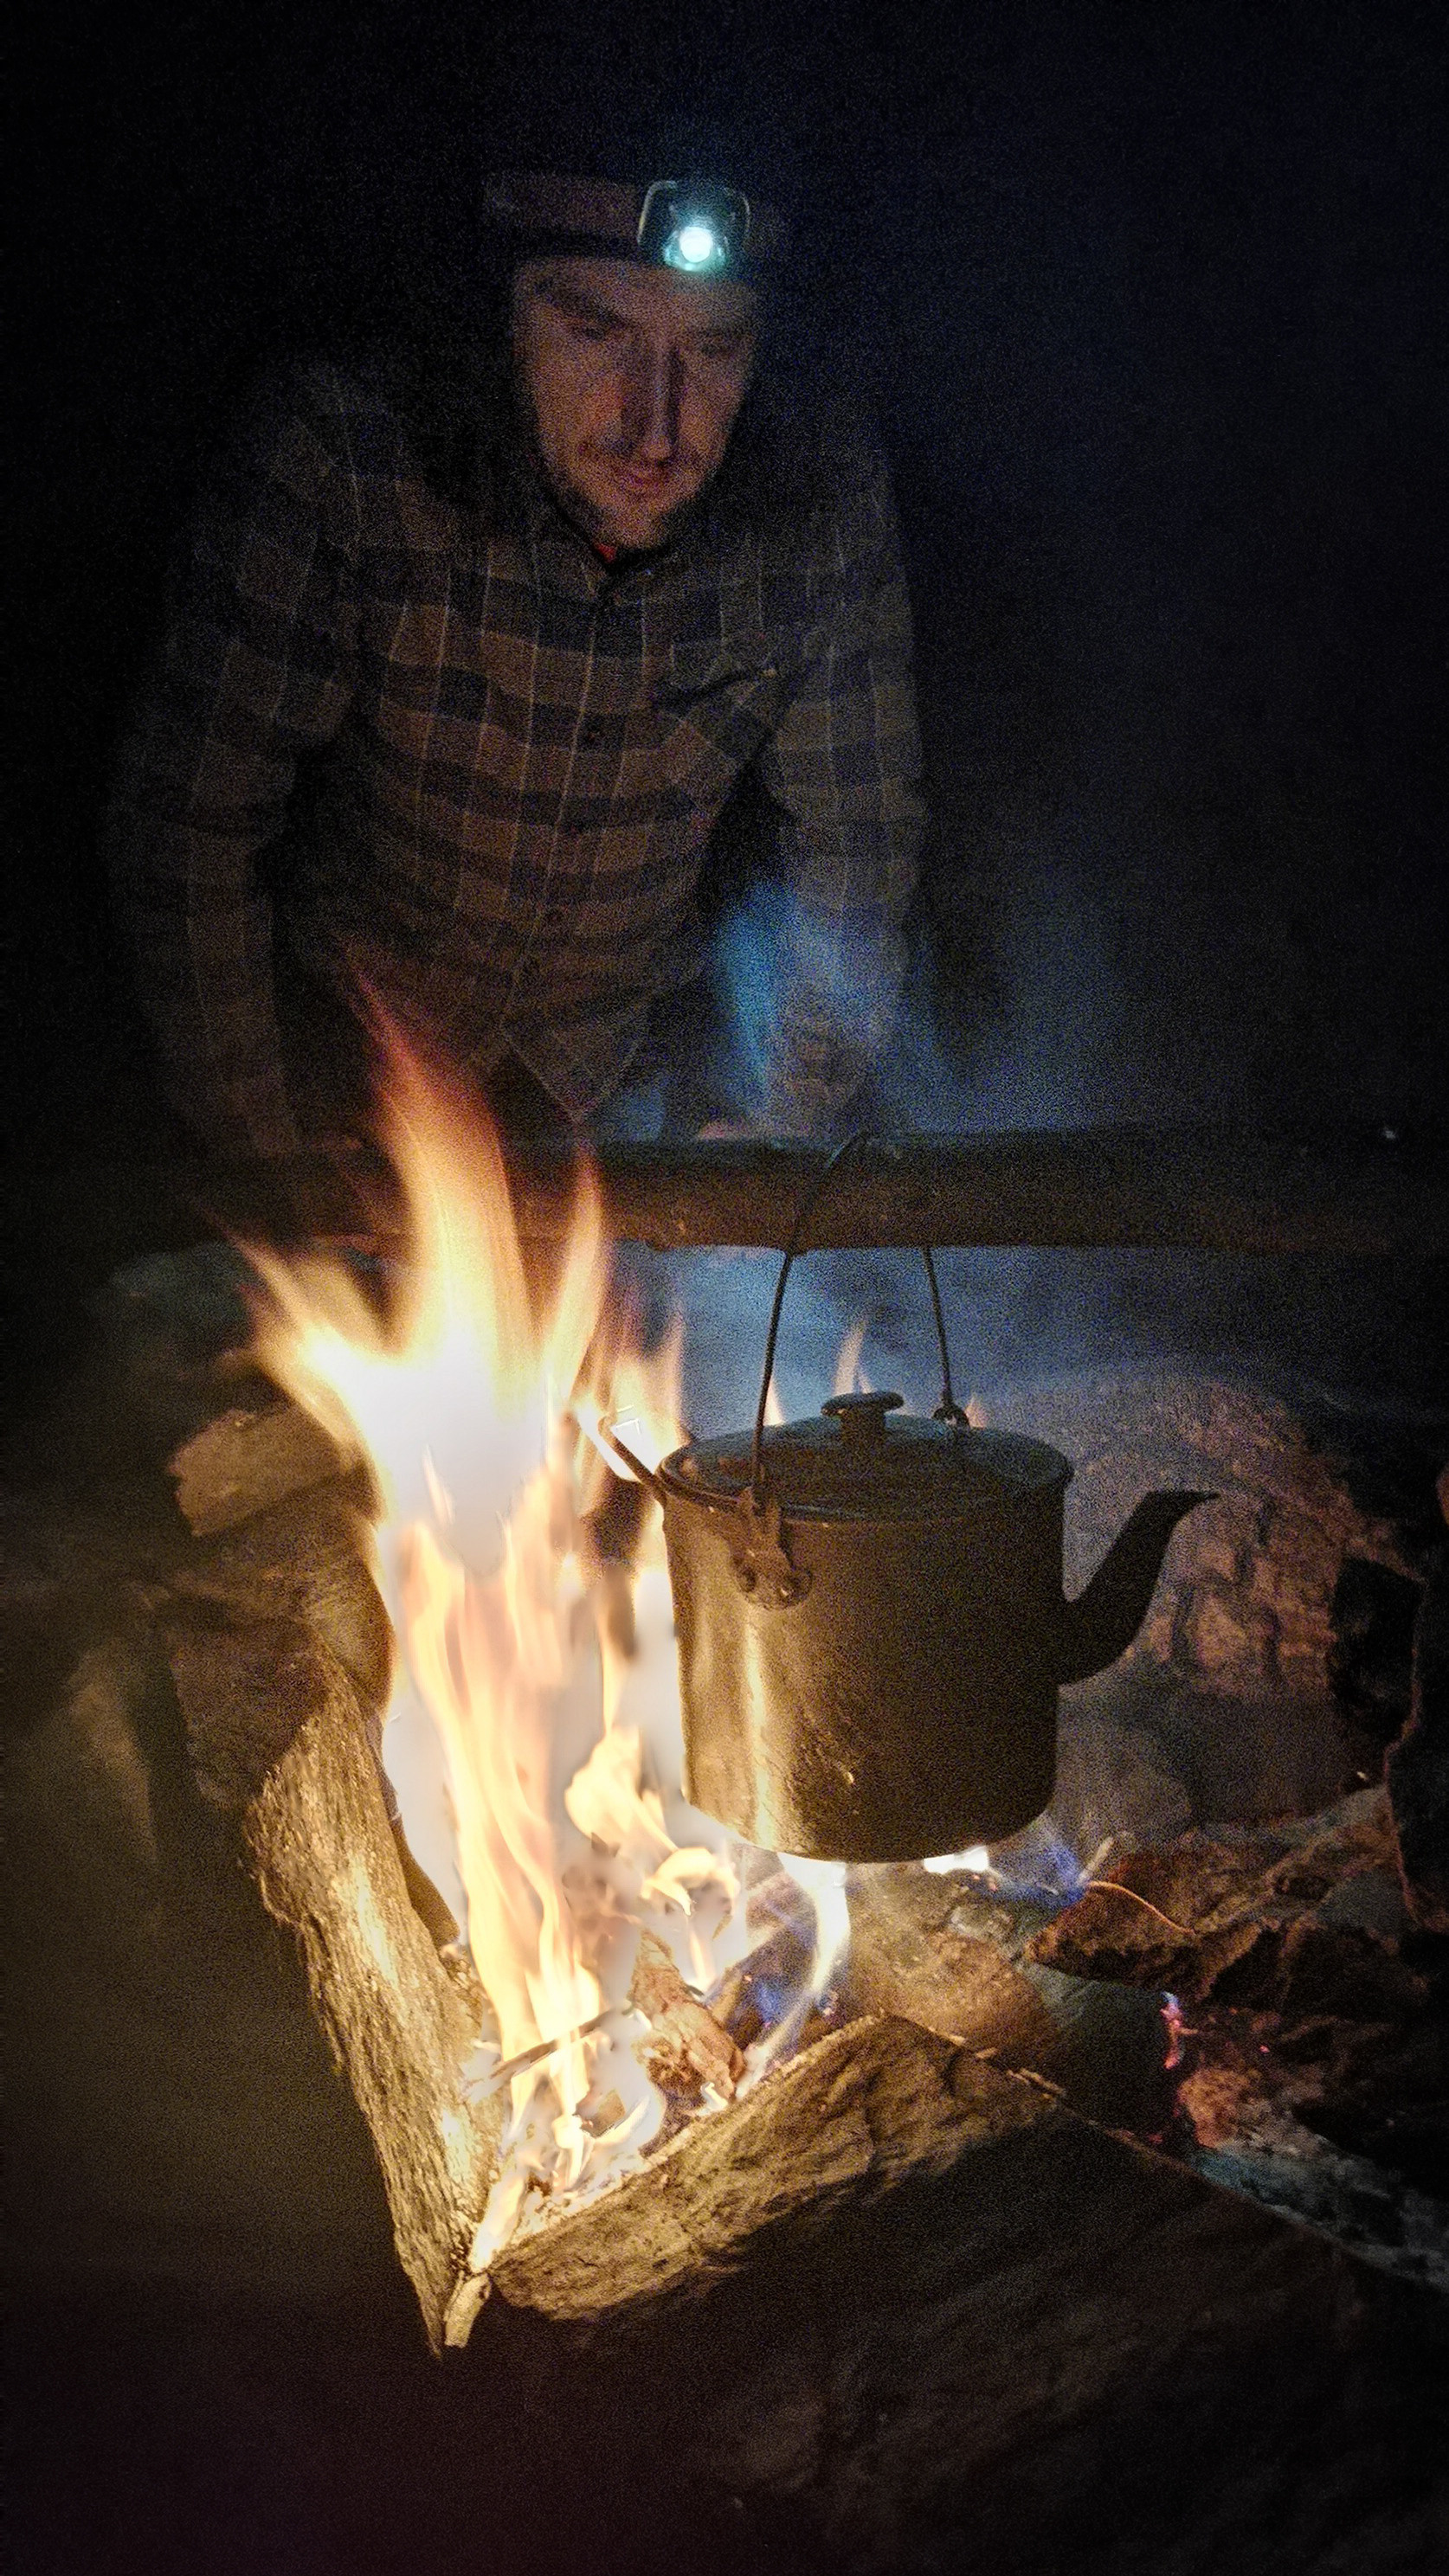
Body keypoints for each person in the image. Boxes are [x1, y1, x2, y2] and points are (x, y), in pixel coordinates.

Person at [106, 161, 926, 1152]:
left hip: (620, 1070)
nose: (654, 427)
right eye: (593, 332)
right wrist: (261, 1145)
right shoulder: (352, 457)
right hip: (348, 1042)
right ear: (496, 319)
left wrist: (782, 1124)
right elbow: (192, 819)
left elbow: (858, 837)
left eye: (711, 348)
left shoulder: (819, 498)